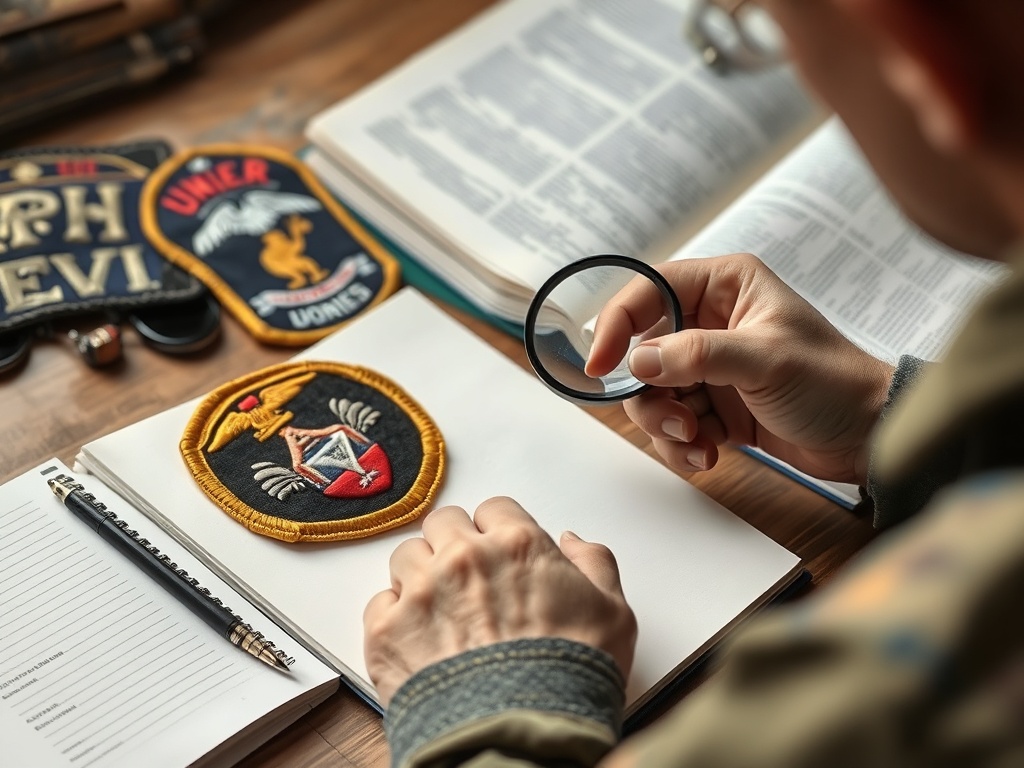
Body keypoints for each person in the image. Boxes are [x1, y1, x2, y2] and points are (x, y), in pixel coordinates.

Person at [363, 0, 1024, 765]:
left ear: (925, 55)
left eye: (757, 22)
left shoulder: (920, 675)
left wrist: (490, 704)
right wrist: (896, 422)